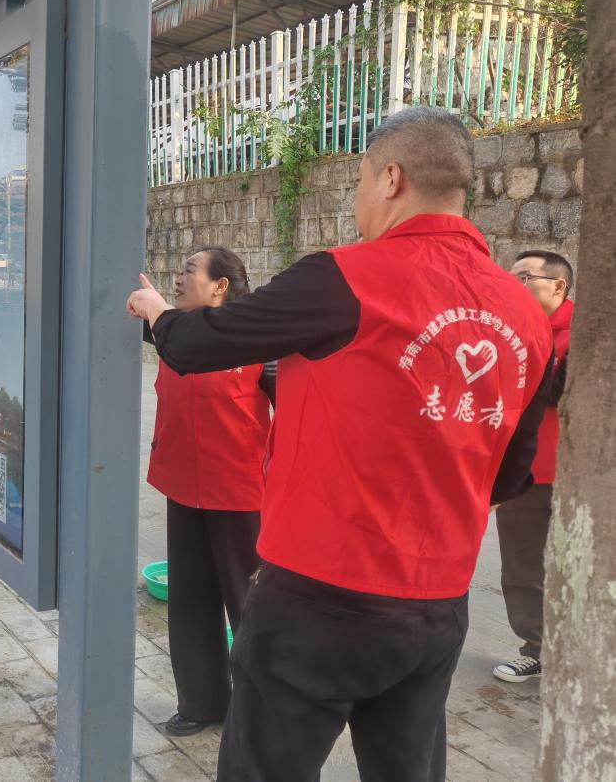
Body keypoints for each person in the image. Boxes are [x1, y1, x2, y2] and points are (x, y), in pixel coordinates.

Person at [127, 106, 554, 782]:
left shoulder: (344, 276)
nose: (355, 202)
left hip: (318, 600)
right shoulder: (523, 312)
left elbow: (204, 341)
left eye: (357, 181)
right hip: (436, 607)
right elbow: (508, 476)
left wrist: (158, 314)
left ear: (390, 179)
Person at [144, 247, 274, 738]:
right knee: (190, 600)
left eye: (189, 270)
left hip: (240, 494)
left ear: (220, 286)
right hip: (183, 487)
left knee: (250, 606)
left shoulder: (258, 340)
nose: (178, 278)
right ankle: (202, 703)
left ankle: (261, 715)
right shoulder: (170, 332)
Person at [493, 250, 574, 684]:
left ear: (558, 286)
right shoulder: (510, 331)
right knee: (522, 566)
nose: (514, 285)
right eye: (509, 277)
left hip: (572, 473)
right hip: (525, 471)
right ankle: (536, 649)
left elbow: (556, 393)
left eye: (524, 277)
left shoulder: (584, 332)